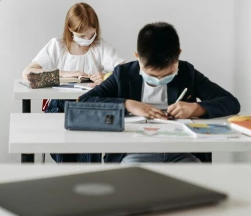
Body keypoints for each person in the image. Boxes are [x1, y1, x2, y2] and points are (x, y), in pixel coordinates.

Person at [79, 22, 240, 164]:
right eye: (152, 75)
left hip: (181, 153)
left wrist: (197, 108)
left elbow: (230, 102)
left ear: (179, 55)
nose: (159, 79)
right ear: (137, 57)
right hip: (134, 153)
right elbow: (83, 104)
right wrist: (128, 105)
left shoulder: (186, 72)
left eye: (167, 74)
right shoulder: (123, 74)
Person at [22, 3, 124, 163]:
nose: (87, 39)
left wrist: (105, 76)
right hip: (60, 105)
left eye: (91, 34)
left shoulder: (100, 47)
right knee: (62, 141)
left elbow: (125, 71)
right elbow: (28, 75)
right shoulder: (57, 46)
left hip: (89, 105)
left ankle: (85, 175)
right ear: (70, 29)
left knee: (89, 142)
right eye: (82, 36)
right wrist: (64, 74)